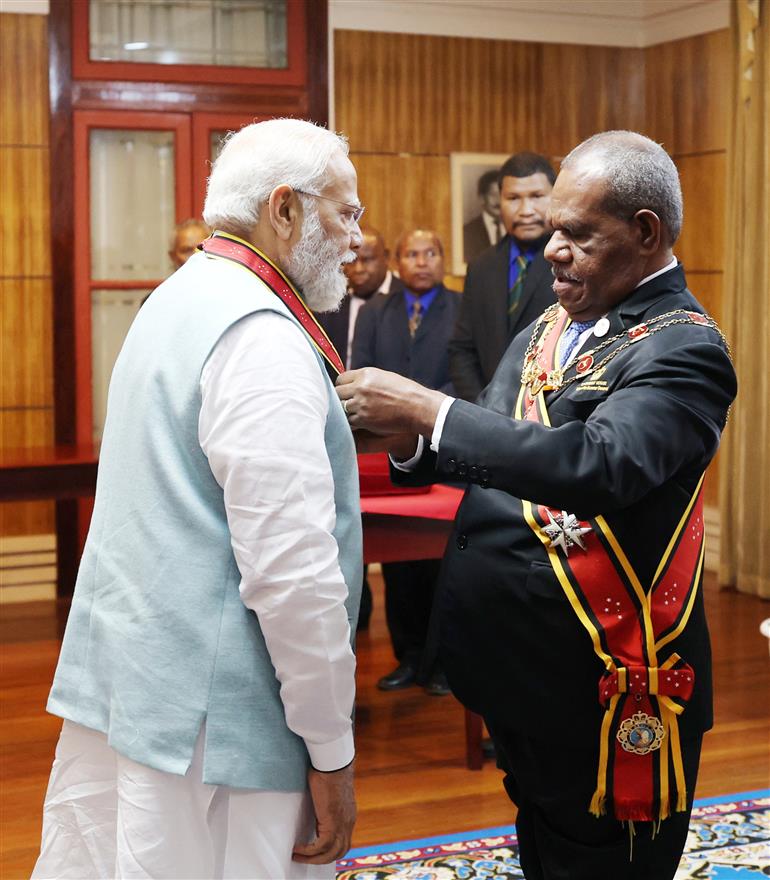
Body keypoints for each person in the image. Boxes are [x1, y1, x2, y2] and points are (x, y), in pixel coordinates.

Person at [337, 131, 736, 880]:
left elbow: (598, 465)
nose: (553, 250)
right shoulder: (555, 320)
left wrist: (427, 408)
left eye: (577, 234)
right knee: (548, 849)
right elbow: (492, 439)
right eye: (552, 228)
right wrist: (410, 439)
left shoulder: (683, 350)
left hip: (605, 687)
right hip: (524, 677)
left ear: (645, 233)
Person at [33, 119, 365, 880]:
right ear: (284, 210)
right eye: (345, 213)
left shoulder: (182, 294)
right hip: (220, 730)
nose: (354, 237)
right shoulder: (261, 334)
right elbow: (292, 576)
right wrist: (332, 748)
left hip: (142, 682)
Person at [351, 229, 459, 697]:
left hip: (444, 441)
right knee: (397, 565)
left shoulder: (460, 307)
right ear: (399, 261)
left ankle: (440, 664)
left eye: (430, 253)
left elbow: (467, 370)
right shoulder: (377, 310)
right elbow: (362, 367)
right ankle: (408, 657)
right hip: (389, 447)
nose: (421, 262)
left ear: (441, 258)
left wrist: (430, 411)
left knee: (439, 561)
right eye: (411, 253)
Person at [317, 227, 404, 631]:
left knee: (398, 537)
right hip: (341, 427)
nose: (357, 267)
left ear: (386, 258)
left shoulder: (405, 301)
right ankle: (359, 613)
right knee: (350, 524)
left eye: (368, 258)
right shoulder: (330, 300)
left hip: (394, 432)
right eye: (352, 260)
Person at [450, 152, 557, 402]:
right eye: (513, 198)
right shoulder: (481, 266)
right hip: (486, 414)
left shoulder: (573, 261)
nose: (526, 210)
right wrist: (482, 408)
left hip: (552, 414)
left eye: (537, 196)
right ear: (499, 201)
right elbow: (462, 350)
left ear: (555, 197)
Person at [462, 169, 504, 263]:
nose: (498, 200)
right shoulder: (468, 232)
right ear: (482, 198)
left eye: (501, 195)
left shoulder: (515, 228)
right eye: (493, 195)